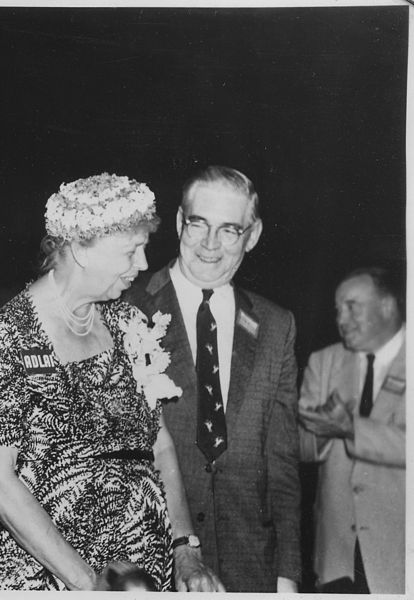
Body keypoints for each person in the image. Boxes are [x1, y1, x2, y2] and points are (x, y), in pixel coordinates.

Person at [0, 173, 224, 592]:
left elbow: (161, 444)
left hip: (143, 570)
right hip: (51, 575)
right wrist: (89, 583)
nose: (141, 264)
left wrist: (185, 551)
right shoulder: (6, 334)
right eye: (130, 251)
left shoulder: (127, 322)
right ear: (81, 248)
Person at [124, 165, 301, 592]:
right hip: (150, 563)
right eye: (199, 224)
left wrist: (288, 574)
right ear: (181, 222)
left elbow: (282, 464)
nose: (210, 245)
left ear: (252, 235)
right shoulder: (126, 306)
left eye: (229, 230)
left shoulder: (277, 326)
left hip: (249, 564)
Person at [298, 267, 405, 594]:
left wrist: (350, 429)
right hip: (337, 557)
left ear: (387, 306)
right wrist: (322, 431)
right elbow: (300, 448)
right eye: (337, 310)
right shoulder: (323, 362)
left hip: (400, 553)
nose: (341, 319)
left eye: (352, 306)